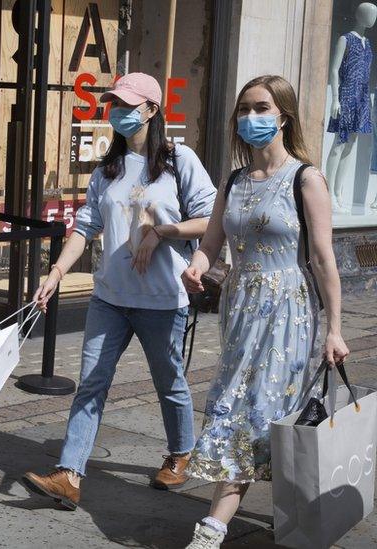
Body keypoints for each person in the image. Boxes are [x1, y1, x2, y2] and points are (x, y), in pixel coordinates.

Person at [20, 73, 216, 510]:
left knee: (169, 382)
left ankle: (181, 452)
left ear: (151, 110)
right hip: (109, 296)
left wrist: (162, 231)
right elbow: (86, 225)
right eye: (113, 104)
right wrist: (54, 273)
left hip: (162, 300)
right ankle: (69, 474)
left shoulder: (179, 160)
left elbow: (210, 217)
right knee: (92, 382)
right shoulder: (107, 169)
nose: (118, 113)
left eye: (127, 105)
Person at [181, 75, 349, 548]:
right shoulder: (233, 180)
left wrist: (334, 329)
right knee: (258, 410)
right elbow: (212, 244)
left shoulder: (306, 178)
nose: (250, 118)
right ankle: (297, 512)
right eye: (244, 109)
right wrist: (196, 266)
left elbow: (322, 259)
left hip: (289, 314)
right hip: (240, 312)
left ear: (283, 116)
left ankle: (212, 530)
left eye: (261, 108)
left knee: (249, 411)